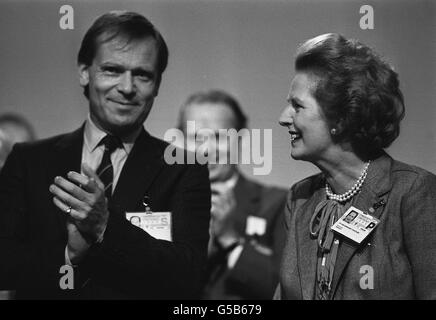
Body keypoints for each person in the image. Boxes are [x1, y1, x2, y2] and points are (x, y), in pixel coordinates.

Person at [0, 11, 210, 299]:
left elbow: (189, 276)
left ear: (158, 84)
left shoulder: (185, 168)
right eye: (112, 70)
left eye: (142, 75)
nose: (126, 88)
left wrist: (104, 227)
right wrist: (69, 256)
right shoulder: (29, 161)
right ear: (84, 72)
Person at [276, 33, 436, 299]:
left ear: (340, 117)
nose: (283, 118)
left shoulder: (413, 192)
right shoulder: (300, 199)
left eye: (297, 106)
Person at [177, 90, 287, 299]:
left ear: (241, 140)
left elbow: (288, 289)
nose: (207, 149)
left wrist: (230, 239)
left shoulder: (277, 203)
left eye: (219, 137)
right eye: (195, 137)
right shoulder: (160, 203)